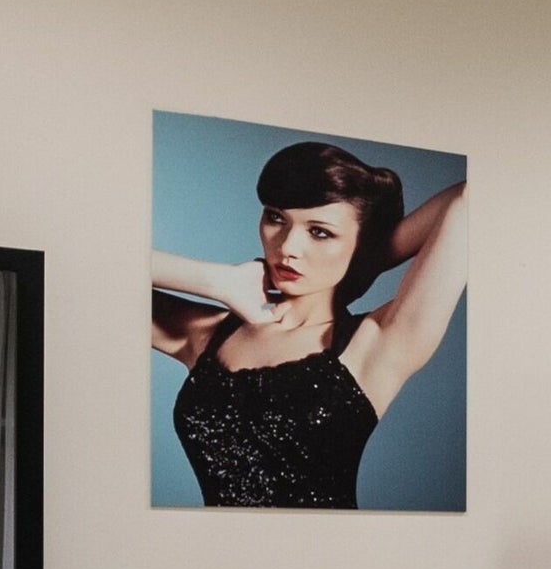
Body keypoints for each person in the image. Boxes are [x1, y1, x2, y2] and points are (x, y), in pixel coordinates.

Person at [153, 142, 469, 508]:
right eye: (276, 218)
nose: (288, 246)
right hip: (216, 559)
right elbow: (102, 269)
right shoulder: (209, 334)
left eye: (319, 232)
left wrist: (364, 259)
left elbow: (468, 198)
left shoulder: (378, 344)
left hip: (328, 559)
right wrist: (217, 281)